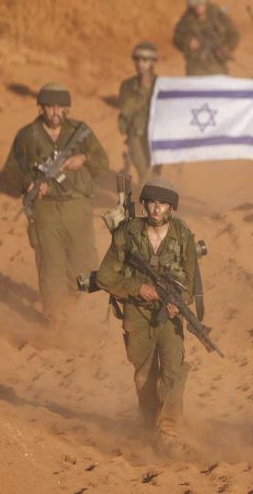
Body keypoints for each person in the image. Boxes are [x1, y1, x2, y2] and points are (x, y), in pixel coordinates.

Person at [96, 178, 198, 455]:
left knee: (173, 369)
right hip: (137, 313)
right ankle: (149, 425)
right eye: (152, 202)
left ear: (171, 207)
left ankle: (169, 430)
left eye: (163, 204)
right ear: (144, 204)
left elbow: (191, 281)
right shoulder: (128, 233)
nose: (156, 208)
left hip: (169, 316)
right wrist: (138, 288)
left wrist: (180, 302)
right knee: (144, 376)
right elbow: (104, 276)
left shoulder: (183, 235)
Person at [3, 82, 109, 323]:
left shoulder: (80, 132)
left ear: (67, 109)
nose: (54, 112)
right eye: (49, 107)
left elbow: (103, 162)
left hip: (76, 206)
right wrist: (28, 183)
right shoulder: (27, 136)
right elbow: (10, 170)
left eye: (60, 107)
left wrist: (84, 158)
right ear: (41, 108)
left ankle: (73, 302)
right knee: (50, 263)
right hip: (46, 209)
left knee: (83, 260)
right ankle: (54, 315)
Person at [118, 42, 161, 183]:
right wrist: (142, 89)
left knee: (154, 173)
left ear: (153, 63)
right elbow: (126, 110)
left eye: (145, 60)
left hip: (156, 135)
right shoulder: (127, 86)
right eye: (137, 60)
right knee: (143, 172)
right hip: (136, 134)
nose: (140, 64)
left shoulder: (161, 84)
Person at [173, 0, 240, 76]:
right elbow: (177, 38)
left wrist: (226, 48)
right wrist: (188, 42)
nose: (199, 8)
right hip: (195, 68)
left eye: (201, 4)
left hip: (218, 67)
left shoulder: (219, 16)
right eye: (196, 6)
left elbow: (234, 34)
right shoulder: (187, 19)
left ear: (206, 2)